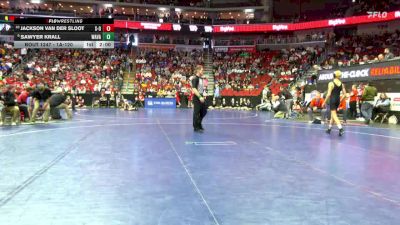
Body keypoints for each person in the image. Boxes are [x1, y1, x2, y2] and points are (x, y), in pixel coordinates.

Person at [324, 70, 346, 136]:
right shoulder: (341, 84)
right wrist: (340, 100)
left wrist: (324, 102)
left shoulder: (331, 83)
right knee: (333, 115)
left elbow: (328, 94)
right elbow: (345, 94)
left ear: (333, 75)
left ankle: (340, 128)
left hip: (332, 100)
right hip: (338, 100)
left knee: (334, 115)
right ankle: (329, 129)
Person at [191, 65, 207, 133]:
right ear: (198, 70)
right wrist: (199, 97)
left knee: (204, 111)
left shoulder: (200, 78)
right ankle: (196, 127)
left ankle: (199, 123)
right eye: (202, 70)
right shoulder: (195, 78)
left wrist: (203, 95)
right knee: (196, 112)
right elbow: (194, 89)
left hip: (201, 95)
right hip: (197, 96)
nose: (203, 71)